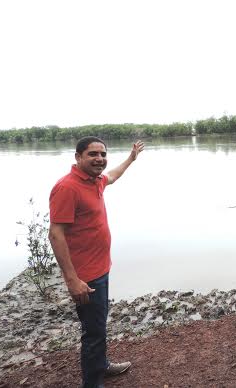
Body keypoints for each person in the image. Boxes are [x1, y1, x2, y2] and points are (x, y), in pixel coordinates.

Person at [48, 136, 144, 388]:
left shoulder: (95, 181)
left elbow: (112, 175)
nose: (99, 159)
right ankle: (92, 383)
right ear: (78, 157)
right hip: (85, 276)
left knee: (99, 325)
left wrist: (131, 159)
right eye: (92, 154)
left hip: (100, 268)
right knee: (93, 333)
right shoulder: (67, 187)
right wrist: (72, 280)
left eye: (102, 154)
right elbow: (55, 234)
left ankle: (101, 365)